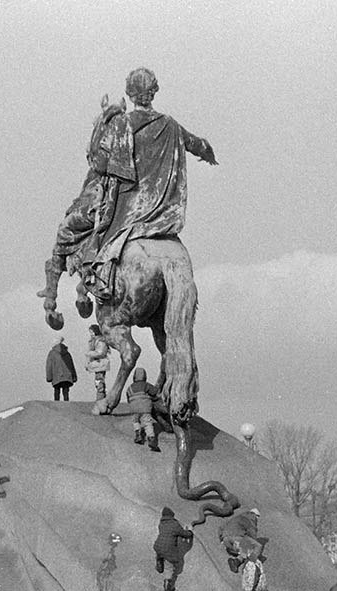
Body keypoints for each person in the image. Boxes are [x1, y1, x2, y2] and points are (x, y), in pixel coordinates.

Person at [85, 67, 218, 302]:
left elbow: (101, 164)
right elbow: (198, 145)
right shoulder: (171, 125)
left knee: (98, 246)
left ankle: (99, 283)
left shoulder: (120, 124)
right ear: (154, 92)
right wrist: (208, 153)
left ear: (129, 94)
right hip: (166, 218)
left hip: (129, 215)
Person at [36, 93, 131, 308]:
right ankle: (78, 285)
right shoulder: (126, 132)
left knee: (65, 228)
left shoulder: (107, 134)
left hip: (102, 196)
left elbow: (99, 163)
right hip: (120, 197)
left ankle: (53, 290)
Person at [153, 505, 194, 591]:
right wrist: (190, 531)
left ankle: (159, 565)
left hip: (157, 545)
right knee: (169, 566)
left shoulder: (161, 524)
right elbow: (184, 534)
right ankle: (168, 585)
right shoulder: (175, 524)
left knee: (160, 553)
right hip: (168, 549)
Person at [127, 366, 161, 452]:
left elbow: (128, 396)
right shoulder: (146, 385)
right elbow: (155, 392)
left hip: (134, 408)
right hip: (145, 407)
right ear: (145, 376)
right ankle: (151, 439)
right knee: (147, 423)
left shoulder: (130, 387)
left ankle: (138, 434)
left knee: (135, 421)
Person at [46, 336, 77, 402]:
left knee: (57, 391)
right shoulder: (67, 353)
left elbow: (49, 366)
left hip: (57, 376)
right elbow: (71, 365)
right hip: (67, 376)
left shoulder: (52, 353)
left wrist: (49, 377)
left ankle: (57, 407)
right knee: (66, 392)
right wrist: (74, 376)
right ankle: (67, 405)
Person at [85, 324, 111, 400]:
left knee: (99, 381)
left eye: (91, 332)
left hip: (100, 364)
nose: (91, 334)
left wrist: (89, 354)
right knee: (99, 381)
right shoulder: (96, 341)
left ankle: (100, 398)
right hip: (98, 364)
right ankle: (102, 397)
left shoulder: (100, 341)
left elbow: (100, 352)